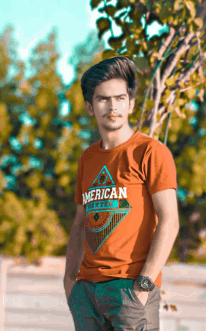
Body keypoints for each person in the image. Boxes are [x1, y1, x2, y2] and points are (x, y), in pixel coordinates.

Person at [63, 56, 179, 331]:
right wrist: (70, 282)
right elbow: (80, 223)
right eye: (103, 99)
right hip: (88, 293)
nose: (113, 106)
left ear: (131, 103)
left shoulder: (151, 152)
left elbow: (170, 222)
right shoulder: (87, 158)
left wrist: (144, 284)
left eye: (120, 98)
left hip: (131, 290)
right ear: (90, 107)